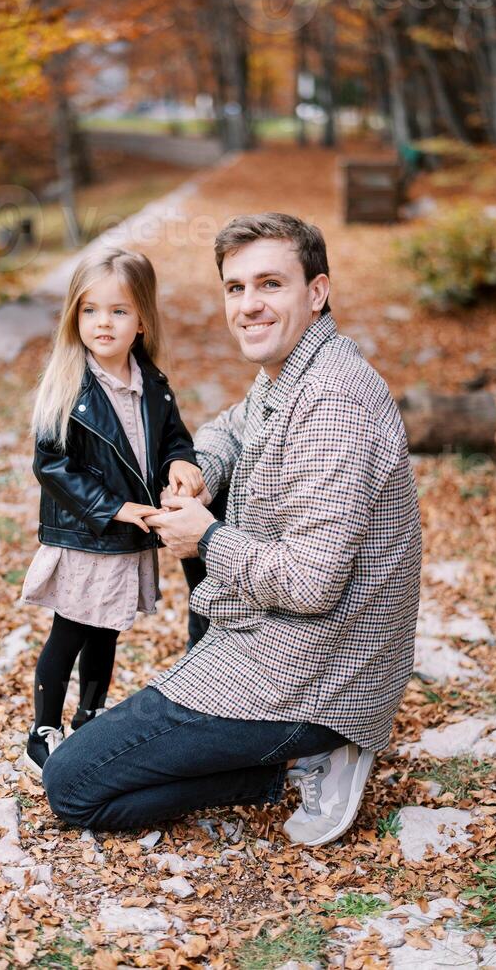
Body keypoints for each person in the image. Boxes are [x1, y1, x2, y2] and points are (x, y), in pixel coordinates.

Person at [42, 212, 422, 846]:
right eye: (236, 288)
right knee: (94, 765)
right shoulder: (293, 369)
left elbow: (311, 582)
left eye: (270, 284)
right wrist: (196, 470)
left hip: (311, 675)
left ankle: (303, 761)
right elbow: (230, 428)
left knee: (73, 785)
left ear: (317, 291)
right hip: (259, 640)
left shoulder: (334, 404)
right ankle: (279, 756)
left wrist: (207, 538)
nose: (249, 305)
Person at [21, 247, 204, 777]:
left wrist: (180, 464)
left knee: (107, 631)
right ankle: (42, 731)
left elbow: (172, 439)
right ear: (74, 316)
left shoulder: (152, 384)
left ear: (142, 319)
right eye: (90, 310)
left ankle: (90, 716)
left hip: (128, 535)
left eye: (118, 311)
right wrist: (116, 508)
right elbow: (51, 466)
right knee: (72, 630)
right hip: (88, 534)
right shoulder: (69, 387)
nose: (103, 322)